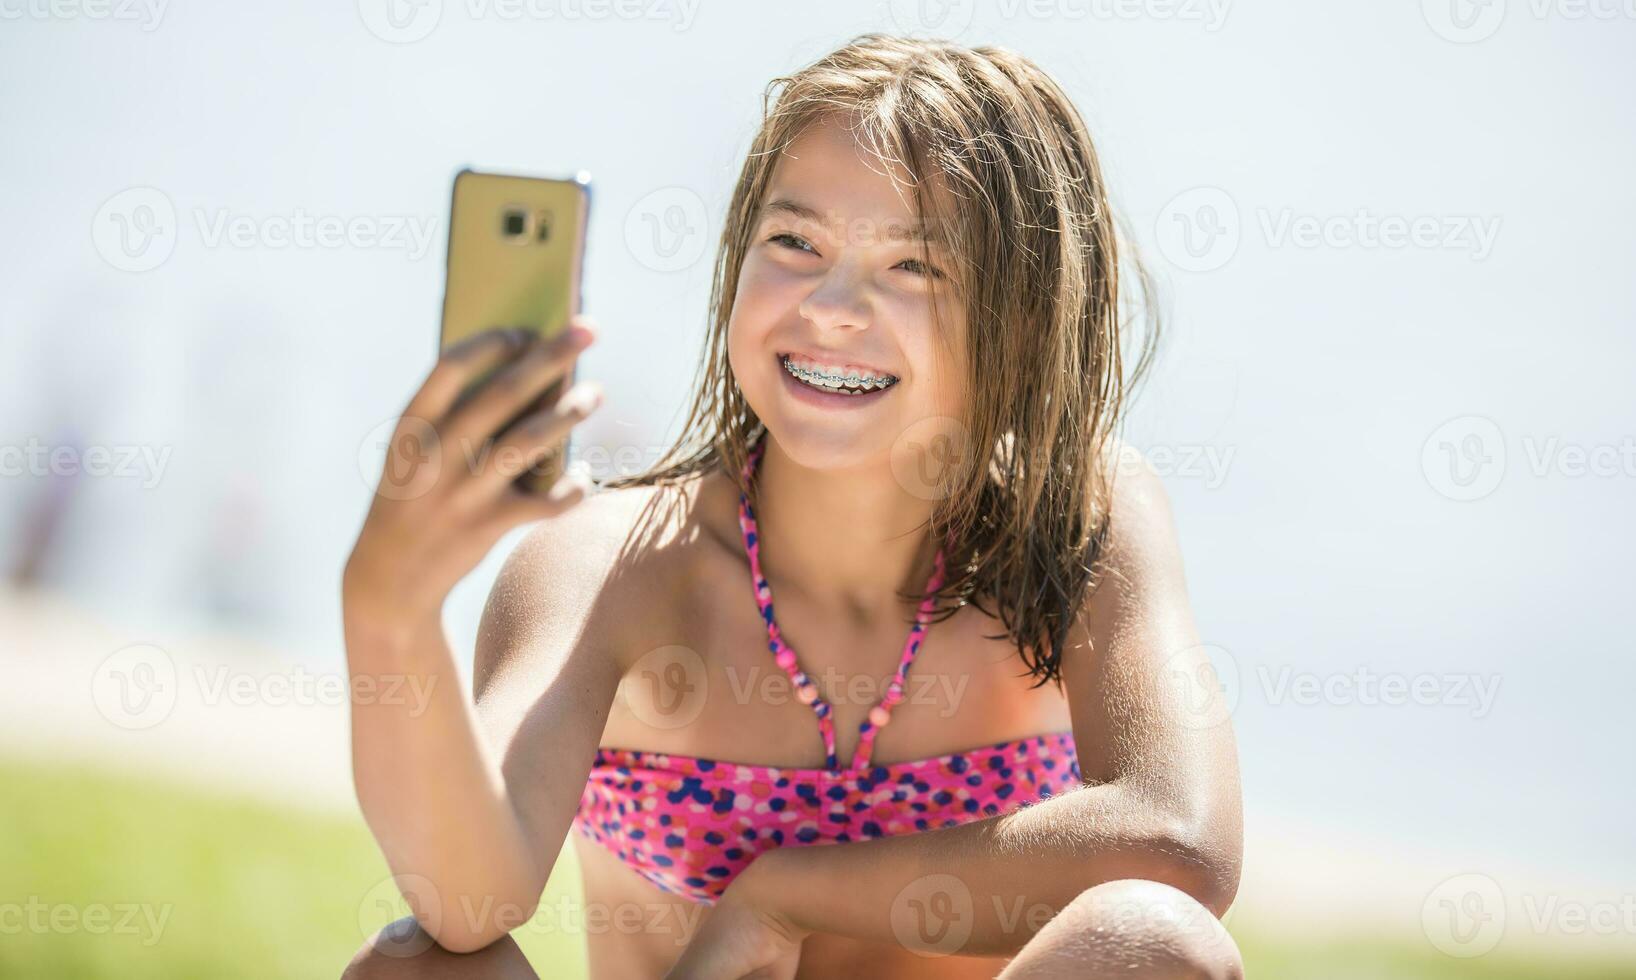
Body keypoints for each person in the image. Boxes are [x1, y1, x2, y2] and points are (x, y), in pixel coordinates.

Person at [342, 33, 1243, 980]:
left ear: (1019, 315)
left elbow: (1180, 839)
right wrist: (388, 612)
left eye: (914, 268)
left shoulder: (1076, 522)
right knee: (419, 967)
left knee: (1155, 938)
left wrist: (782, 894)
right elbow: (468, 898)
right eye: (795, 243)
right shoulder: (611, 565)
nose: (831, 306)